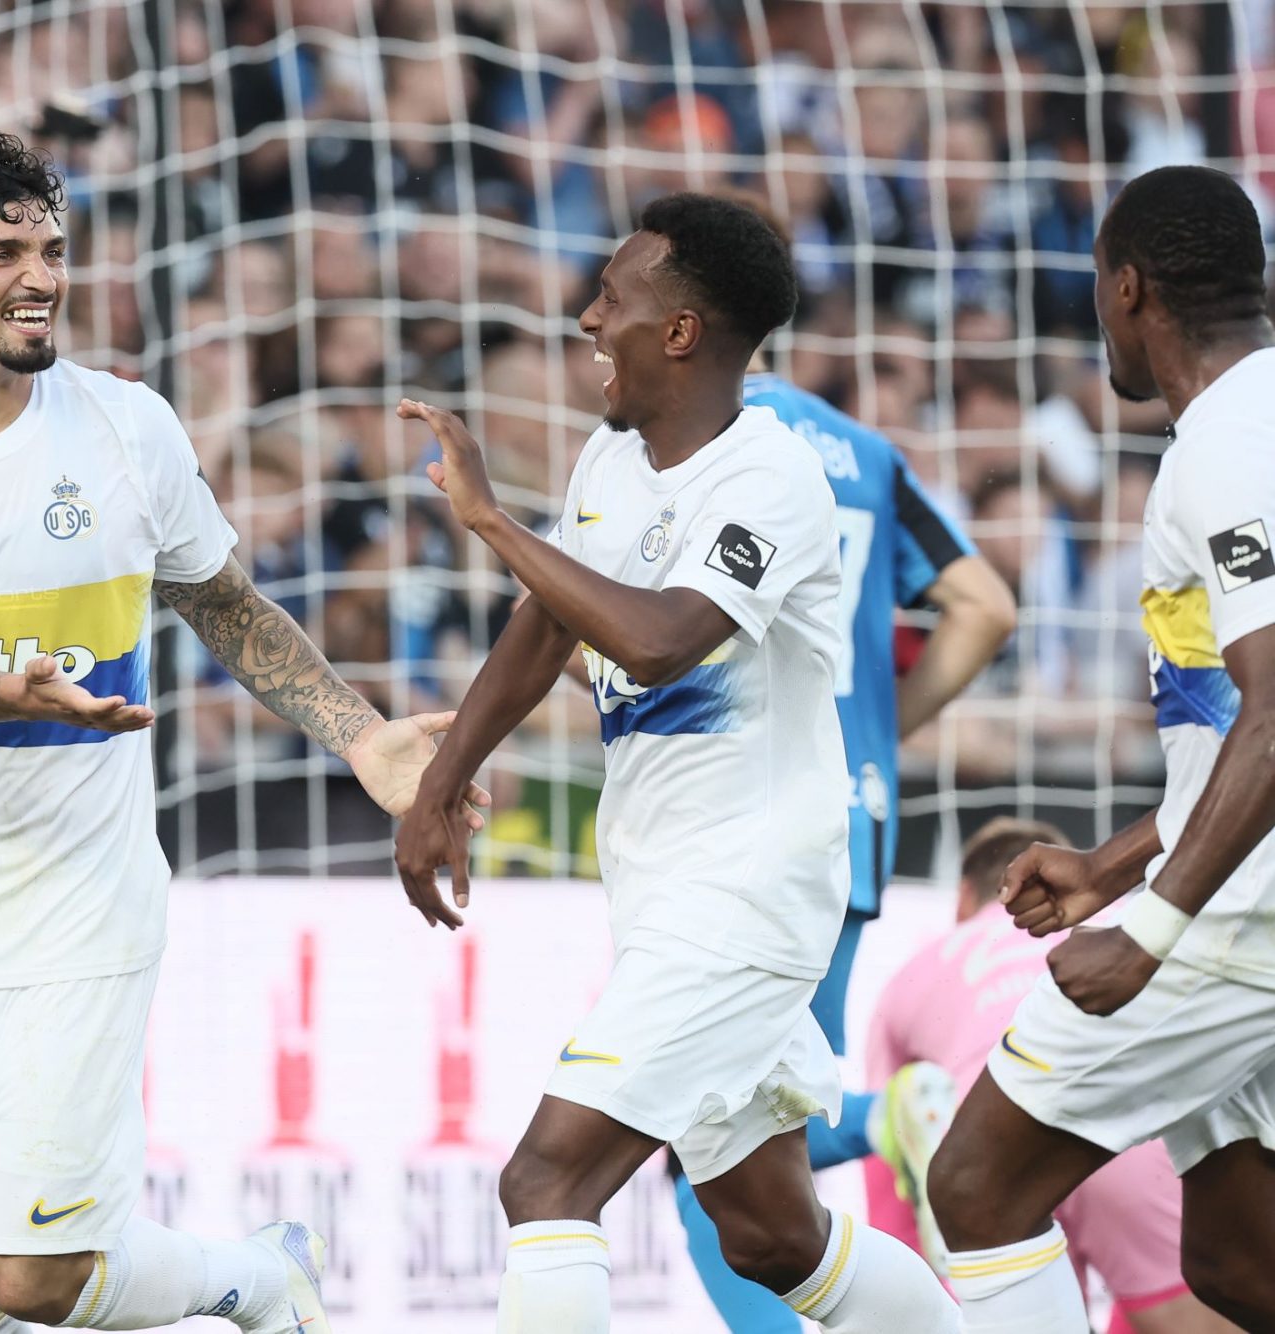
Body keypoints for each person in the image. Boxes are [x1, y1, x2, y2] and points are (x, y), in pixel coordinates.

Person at [0, 132, 481, 1334]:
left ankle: (255, 1279)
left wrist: (360, 735)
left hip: (78, 907)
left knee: (32, 1273)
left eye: (51, 248)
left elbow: (222, 602)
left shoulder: (126, 428)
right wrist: (7, 693)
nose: (38, 274)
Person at [393, 192, 956, 1333]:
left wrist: (495, 523)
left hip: (743, 895)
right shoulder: (611, 462)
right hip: (668, 892)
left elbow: (653, 643)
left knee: (544, 1181)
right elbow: (547, 625)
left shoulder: (771, 476)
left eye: (613, 296)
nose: (589, 318)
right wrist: (441, 778)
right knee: (766, 1230)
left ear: (681, 331)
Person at [927, 164, 1275, 1332]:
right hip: (1228, 887)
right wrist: (1107, 867)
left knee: (975, 1183)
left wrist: (1154, 919)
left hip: (1236, 919)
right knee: (1236, 1256)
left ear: (1123, 290)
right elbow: (1229, 730)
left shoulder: (1234, 439)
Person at [670, 228, 1020, 1329]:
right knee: (742, 1131)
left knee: (709, 1131)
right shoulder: (861, 450)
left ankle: (879, 1113)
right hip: (853, 810)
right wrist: (879, 727)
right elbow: (984, 605)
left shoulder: (695, 439)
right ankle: (875, 1117)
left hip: (735, 813)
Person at [868, 816, 1241, 1334]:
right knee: (1185, 1321)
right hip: (1126, 1132)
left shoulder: (916, 970)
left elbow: (885, 1141)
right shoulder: (1124, 922)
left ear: (962, 897)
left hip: (988, 1144)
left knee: (1001, 1300)